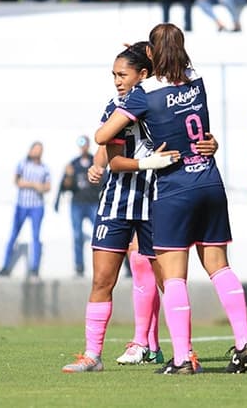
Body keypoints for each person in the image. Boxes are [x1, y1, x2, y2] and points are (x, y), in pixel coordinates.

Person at [95, 23, 247, 375]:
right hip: (211, 181)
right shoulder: (195, 78)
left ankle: (183, 358)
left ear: (150, 56)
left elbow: (102, 135)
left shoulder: (143, 92)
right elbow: (177, 68)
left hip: (174, 187)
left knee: (173, 277)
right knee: (219, 266)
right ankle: (244, 341)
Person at [61, 42, 217, 373]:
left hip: (157, 201)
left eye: (123, 75)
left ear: (143, 75)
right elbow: (115, 161)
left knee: (168, 280)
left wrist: (210, 143)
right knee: (103, 279)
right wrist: (146, 162)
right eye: (114, 75)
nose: (117, 81)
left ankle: (183, 354)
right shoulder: (115, 108)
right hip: (118, 202)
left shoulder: (161, 101)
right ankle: (92, 355)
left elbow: (191, 137)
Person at [0, 142, 51, 278]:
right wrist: (34, 185)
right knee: (13, 235)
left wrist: (41, 187)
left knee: (36, 237)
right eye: (35, 149)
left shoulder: (45, 168)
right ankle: (5, 266)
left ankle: (34, 268)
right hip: (22, 205)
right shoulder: (23, 164)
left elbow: (48, 186)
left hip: (37, 206)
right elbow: (17, 181)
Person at [54, 135, 101, 279]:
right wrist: (68, 175)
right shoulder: (73, 164)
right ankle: (79, 266)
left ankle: (101, 268)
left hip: (93, 202)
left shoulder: (96, 161)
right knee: (77, 235)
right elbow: (65, 186)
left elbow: (104, 182)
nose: (83, 146)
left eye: (85, 143)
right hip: (77, 204)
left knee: (100, 235)